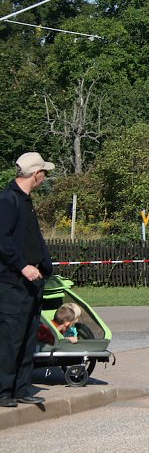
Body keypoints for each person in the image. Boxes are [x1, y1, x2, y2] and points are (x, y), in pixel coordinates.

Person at [0, 152, 55, 407]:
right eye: (44, 172)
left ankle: (21, 389)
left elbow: (32, 239)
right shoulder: (8, 200)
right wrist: (23, 266)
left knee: (28, 335)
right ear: (36, 174)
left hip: (33, 281)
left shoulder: (26, 200)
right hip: (13, 282)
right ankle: (4, 391)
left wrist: (45, 267)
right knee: (10, 337)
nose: (45, 177)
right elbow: (3, 240)